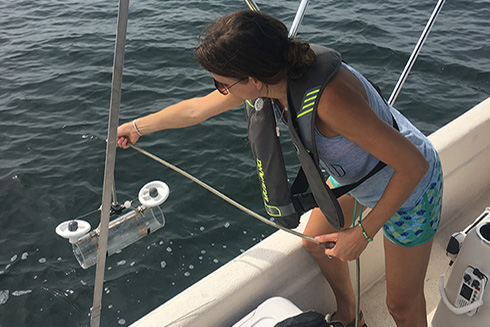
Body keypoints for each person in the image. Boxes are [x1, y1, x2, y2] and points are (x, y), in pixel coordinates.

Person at [116, 10, 443, 327]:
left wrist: (364, 232)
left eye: (222, 85)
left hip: (411, 190)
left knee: (400, 306)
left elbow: (414, 165)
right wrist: (135, 127)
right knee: (316, 242)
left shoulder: (330, 101)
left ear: (253, 80)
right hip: (360, 173)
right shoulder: (274, 78)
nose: (221, 92)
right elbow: (195, 111)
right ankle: (350, 314)